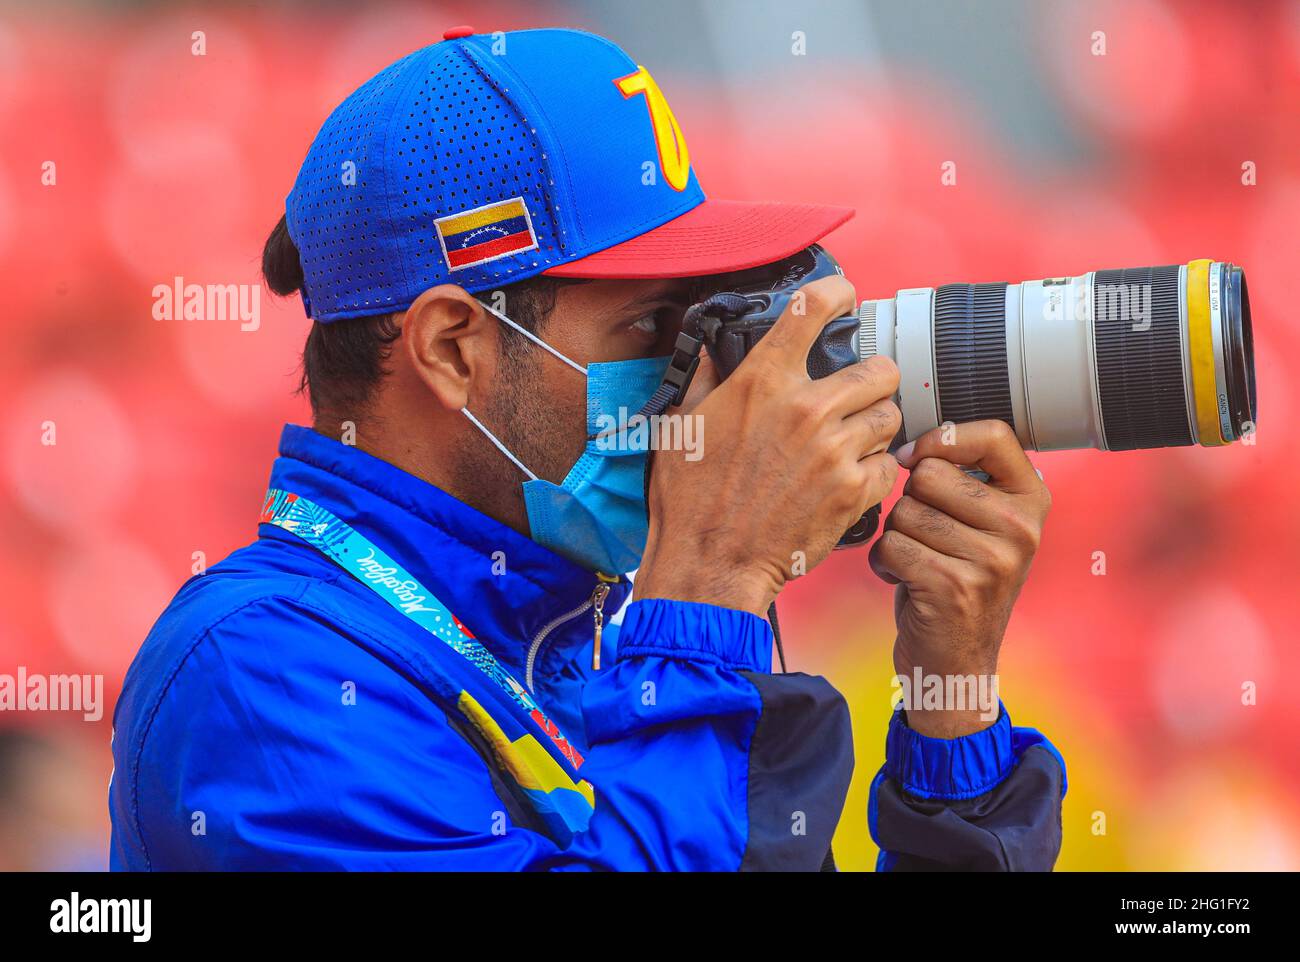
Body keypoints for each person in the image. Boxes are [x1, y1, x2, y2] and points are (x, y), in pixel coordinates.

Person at [109, 25, 1065, 871]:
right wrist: (709, 586)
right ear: (452, 350)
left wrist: (952, 714)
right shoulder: (263, 678)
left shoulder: (563, 640)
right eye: (654, 326)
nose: (703, 384)